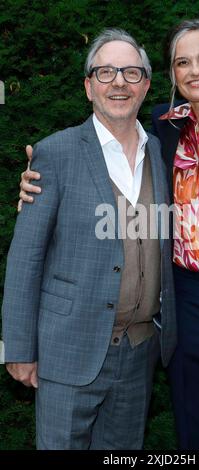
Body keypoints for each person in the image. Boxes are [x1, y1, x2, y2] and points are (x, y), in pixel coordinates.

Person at [18, 17, 199, 450]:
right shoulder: (165, 131)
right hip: (186, 302)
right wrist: (34, 183)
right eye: (182, 62)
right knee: (196, 431)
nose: (195, 70)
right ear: (170, 75)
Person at [2, 28, 176, 450]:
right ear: (88, 86)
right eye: (105, 72)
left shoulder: (164, 154)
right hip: (67, 350)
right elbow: (25, 258)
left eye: (132, 73)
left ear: (147, 84)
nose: (119, 82)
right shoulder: (55, 153)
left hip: (140, 352)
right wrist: (18, 348)